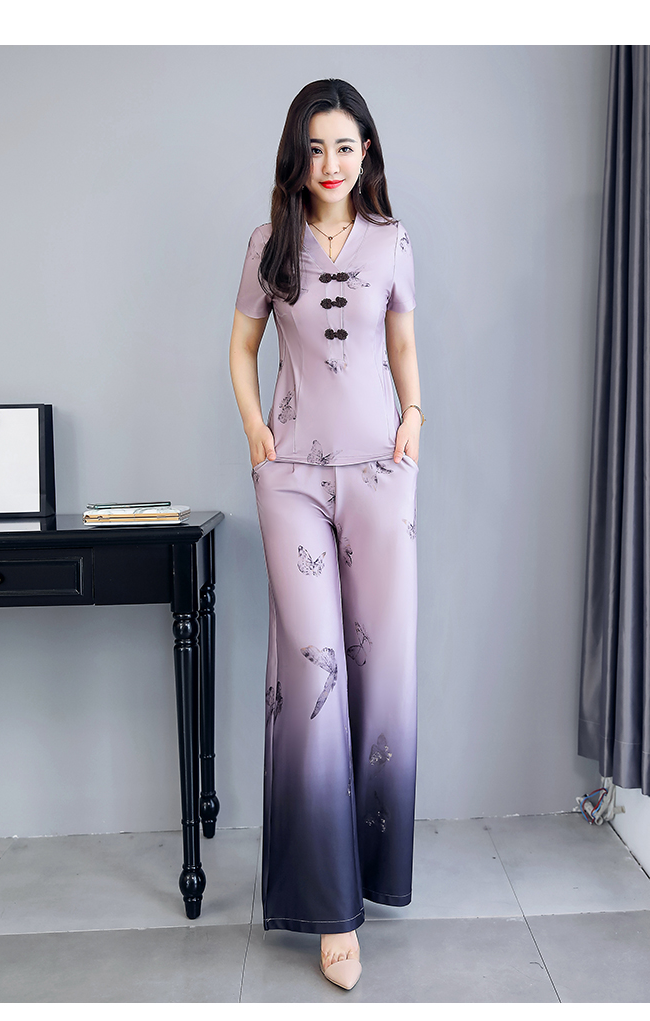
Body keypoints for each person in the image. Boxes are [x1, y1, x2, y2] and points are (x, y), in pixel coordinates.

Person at [229, 78, 423, 992]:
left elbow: (402, 345)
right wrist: (255, 430)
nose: (331, 164)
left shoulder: (392, 241)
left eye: (345, 146)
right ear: (296, 158)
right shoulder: (269, 242)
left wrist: (414, 417)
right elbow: (241, 348)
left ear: (366, 151)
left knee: (383, 676)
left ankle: (373, 876)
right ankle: (330, 913)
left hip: (381, 474)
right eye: (315, 149)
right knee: (313, 676)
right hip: (293, 479)